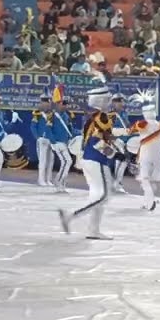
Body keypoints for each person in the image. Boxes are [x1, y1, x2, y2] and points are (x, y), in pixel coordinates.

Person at [59, 86, 118, 240]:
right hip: (96, 159)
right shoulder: (101, 117)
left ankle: (93, 230)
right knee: (103, 196)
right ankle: (70, 215)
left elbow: (102, 137)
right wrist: (115, 154)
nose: (110, 102)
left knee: (97, 195)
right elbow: (96, 142)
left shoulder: (93, 116)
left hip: (91, 159)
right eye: (108, 99)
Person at [48, 98, 76, 194]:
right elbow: (48, 129)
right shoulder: (52, 115)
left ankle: (60, 182)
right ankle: (59, 182)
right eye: (63, 104)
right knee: (67, 161)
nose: (65, 106)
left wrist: (75, 135)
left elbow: (69, 128)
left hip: (64, 142)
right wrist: (53, 142)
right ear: (58, 104)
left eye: (66, 104)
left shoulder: (66, 115)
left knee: (67, 162)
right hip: (57, 142)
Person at [109, 94, 133, 193]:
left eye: (122, 102)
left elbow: (127, 126)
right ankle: (117, 184)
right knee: (123, 160)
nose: (121, 104)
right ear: (113, 103)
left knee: (119, 161)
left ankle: (116, 184)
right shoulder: (111, 115)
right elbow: (108, 130)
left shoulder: (124, 113)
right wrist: (114, 141)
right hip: (116, 140)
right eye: (118, 102)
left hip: (124, 140)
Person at [31, 95, 53, 187]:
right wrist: (38, 137)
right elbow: (33, 127)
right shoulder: (37, 114)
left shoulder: (52, 114)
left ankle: (48, 179)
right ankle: (41, 179)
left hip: (51, 139)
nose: (47, 105)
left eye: (48, 103)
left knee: (50, 161)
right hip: (42, 139)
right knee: (42, 160)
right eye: (45, 103)